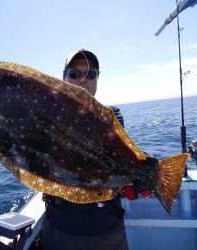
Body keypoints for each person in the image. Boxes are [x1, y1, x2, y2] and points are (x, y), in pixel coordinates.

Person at [41, 49, 150, 250]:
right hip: (57, 228)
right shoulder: (47, 116)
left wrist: (143, 174)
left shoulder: (112, 116)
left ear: (98, 79)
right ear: (63, 77)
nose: (83, 80)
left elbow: (117, 159)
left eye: (91, 74)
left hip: (105, 232)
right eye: (75, 74)